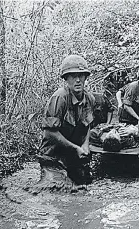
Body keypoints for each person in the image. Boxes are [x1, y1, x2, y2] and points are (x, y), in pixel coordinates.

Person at [38, 54, 95, 191]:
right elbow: (49, 133)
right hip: (53, 157)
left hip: (74, 157)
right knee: (58, 189)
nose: (77, 80)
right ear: (66, 79)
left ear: (85, 78)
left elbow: (88, 125)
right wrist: (75, 147)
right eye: (72, 76)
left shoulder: (89, 99)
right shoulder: (60, 98)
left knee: (85, 184)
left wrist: (85, 145)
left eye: (81, 76)